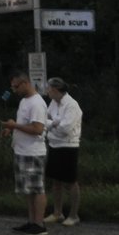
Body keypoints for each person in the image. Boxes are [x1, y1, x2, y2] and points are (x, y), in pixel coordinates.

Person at [1, 72, 50, 235]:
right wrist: (11, 128)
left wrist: (15, 126)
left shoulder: (37, 103)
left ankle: (39, 223)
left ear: (25, 83)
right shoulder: (24, 101)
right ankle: (31, 221)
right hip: (22, 149)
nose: (14, 90)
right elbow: (23, 124)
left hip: (33, 151)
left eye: (16, 86)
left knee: (37, 188)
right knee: (28, 189)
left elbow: (37, 129)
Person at [44, 77, 83, 226]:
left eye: (48, 89)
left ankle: (74, 215)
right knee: (56, 181)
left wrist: (52, 124)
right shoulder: (53, 103)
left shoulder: (72, 105)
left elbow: (66, 129)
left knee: (70, 181)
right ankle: (57, 212)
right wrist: (54, 123)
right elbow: (45, 119)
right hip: (54, 144)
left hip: (68, 146)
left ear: (54, 90)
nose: (47, 91)